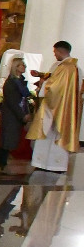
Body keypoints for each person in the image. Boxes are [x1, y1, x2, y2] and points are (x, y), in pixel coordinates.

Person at [27, 41, 80, 172]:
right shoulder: (71, 67)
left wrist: (43, 84)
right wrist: (41, 75)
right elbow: (54, 78)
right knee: (51, 135)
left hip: (57, 106)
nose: (54, 54)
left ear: (60, 51)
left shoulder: (66, 67)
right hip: (62, 106)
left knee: (51, 134)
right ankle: (47, 164)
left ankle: (51, 164)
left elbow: (55, 87)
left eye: (55, 52)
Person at [0, 56, 32, 172]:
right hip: (11, 114)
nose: (24, 67)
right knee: (7, 139)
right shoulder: (11, 82)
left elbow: (25, 97)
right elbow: (12, 101)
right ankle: (0, 162)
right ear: (16, 67)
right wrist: (22, 115)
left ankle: (2, 161)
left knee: (11, 138)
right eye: (22, 65)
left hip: (17, 114)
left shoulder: (20, 81)